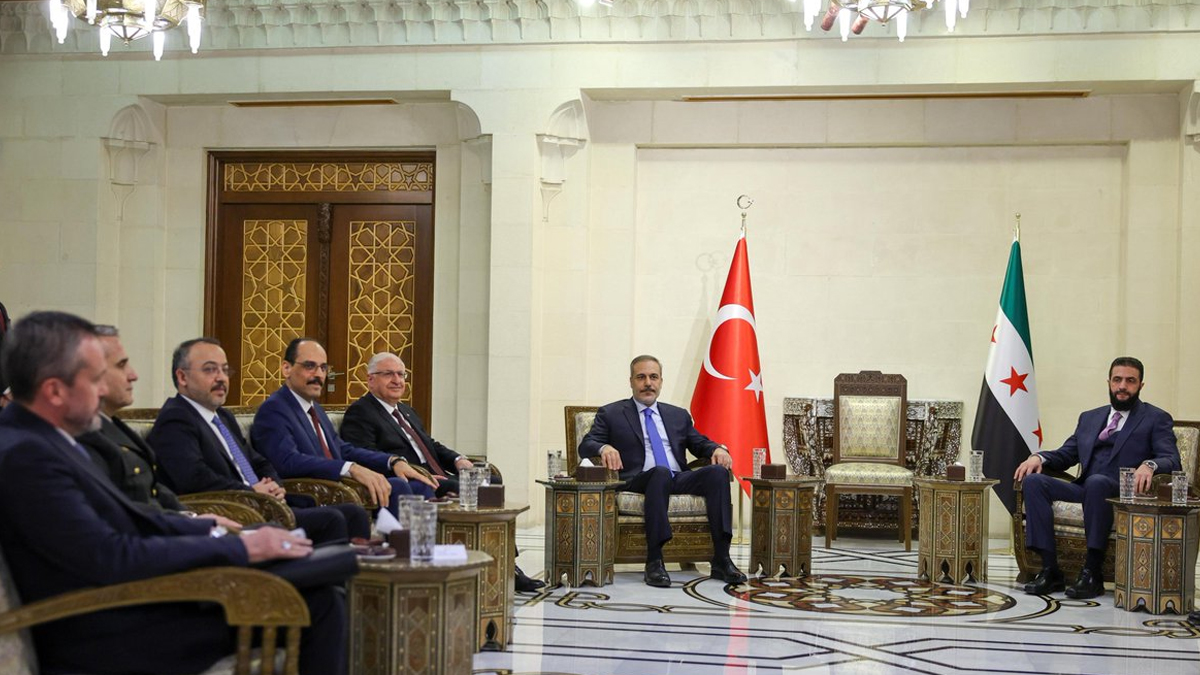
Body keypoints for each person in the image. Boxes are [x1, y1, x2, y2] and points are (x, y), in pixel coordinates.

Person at [0, 311, 347, 675]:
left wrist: (208, 528)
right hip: (105, 627)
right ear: (54, 390)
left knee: (319, 574)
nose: (106, 389)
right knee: (317, 600)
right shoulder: (27, 455)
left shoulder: (47, 439)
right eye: (96, 378)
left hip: (131, 600)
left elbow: (131, 518)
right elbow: (110, 554)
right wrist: (241, 549)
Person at [340, 351, 547, 592]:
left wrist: (458, 459)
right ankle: (478, 565)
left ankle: (507, 563)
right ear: (370, 379)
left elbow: (431, 445)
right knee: (473, 490)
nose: (397, 380)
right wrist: (417, 471)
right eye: (388, 374)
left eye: (401, 374)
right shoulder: (361, 412)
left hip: (436, 475)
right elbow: (363, 453)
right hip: (412, 480)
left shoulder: (406, 411)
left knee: (491, 480)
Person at [148, 337, 371, 542]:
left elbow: (258, 460)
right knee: (332, 520)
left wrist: (274, 485)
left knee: (354, 513)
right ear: (182, 377)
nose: (221, 378)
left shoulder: (222, 417)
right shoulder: (175, 418)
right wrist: (251, 491)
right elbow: (195, 478)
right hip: (231, 512)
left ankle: (362, 571)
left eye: (224, 370)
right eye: (210, 370)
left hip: (261, 503)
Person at [1014, 356, 1180, 599]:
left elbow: (1172, 459)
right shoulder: (1089, 417)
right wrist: (1039, 457)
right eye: (1117, 379)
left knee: (1097, 482)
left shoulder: (1155, 418)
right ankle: (1050, 569)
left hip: (1121, 493)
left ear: (1141, 385)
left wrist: (1150, 464)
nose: (1122, 386)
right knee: (1034, 482)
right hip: (1086, 488)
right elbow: (1066, 454)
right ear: (1109, 382)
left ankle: (1092, 572)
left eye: (1130, 381)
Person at [579, 354, 747, 588]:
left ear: (661, 381)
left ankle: (721, 558)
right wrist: (604, 447)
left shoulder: (677, 415)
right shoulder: (612, 413)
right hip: (639, 479)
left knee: (717, 473)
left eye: (653, 377)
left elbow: (699, 443)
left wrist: (717, 449)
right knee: (659, 473)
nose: (648, 383)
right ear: (631, 381)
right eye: (641, 377)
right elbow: (586, 445)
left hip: (677, 477)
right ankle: (655, 560)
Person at [252, 337, 438, 515]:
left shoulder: (315, 408)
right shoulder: (274, 409)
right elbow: (288, 461)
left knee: (419, 485)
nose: (318, 374)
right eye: (309, 366)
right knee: (397, 487)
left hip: (338, 486)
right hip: (310, 493)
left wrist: (392, 461)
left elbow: (342, 449)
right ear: (286, 368)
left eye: (323, 368)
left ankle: (419, 538)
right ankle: (398, 538)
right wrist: (350, 468)